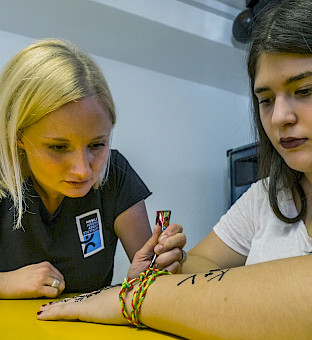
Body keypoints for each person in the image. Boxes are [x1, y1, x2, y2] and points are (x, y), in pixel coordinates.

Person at [37, 0, 312, 338]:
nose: (280, 117)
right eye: (266, 100)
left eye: (306, 90)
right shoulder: (266, 195)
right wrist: (172, 262)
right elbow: (197, 264)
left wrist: (134, 298)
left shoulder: (118, 176)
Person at [0, 39, 186, 299]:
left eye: (97, 144)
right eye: (58, 147)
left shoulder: (116, 174)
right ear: (17, 135)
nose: (83, 171)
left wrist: (147, 280)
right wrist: (4, 283)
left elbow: (152, 278)